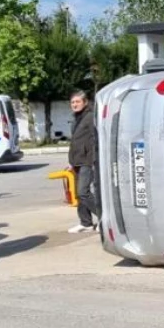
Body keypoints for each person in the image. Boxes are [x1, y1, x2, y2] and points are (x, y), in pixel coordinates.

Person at [67, 90, 100, 234]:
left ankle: (105, 218)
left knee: (83, 192)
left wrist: (93, 159)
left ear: (85, 102)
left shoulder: (90, 117)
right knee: (79, 194)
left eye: (77, 102)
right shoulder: (76, 118)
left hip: (88, 160)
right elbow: (76, 142)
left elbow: (94, 139)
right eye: (73, 102)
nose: (75, 104)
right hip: (77, 161)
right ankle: (85, 222)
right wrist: (71, 162)